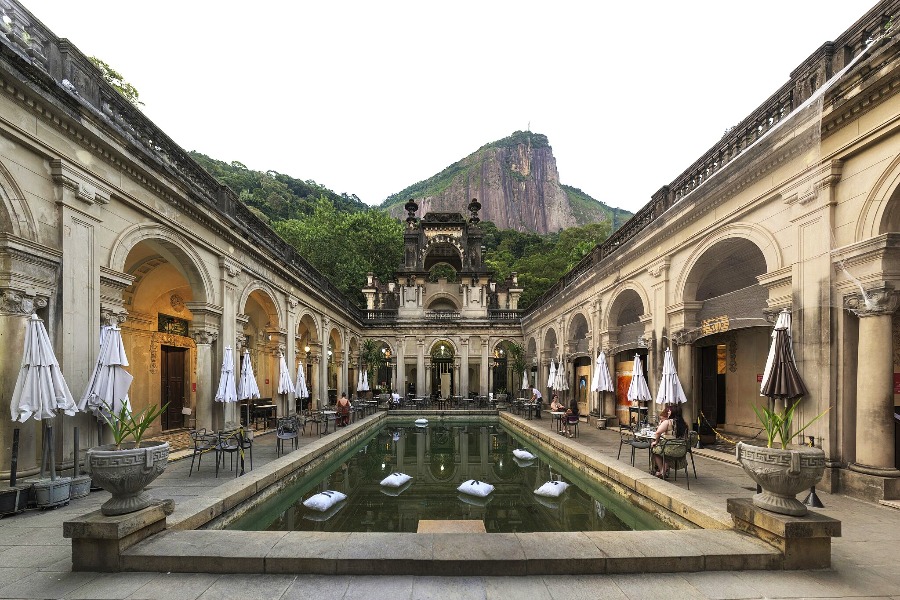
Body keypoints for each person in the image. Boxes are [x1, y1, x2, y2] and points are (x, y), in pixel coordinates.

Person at [651, 404, 688, 478]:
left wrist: (656, 441)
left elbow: (658, 432)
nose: (668, 412)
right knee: (666, 452)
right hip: (681, 450)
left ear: (673, 412)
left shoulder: (668, 422)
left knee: (654, 449)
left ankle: (662, 471)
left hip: (669, 448)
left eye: (669, 411)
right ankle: (664, 471)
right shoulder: (684, 424)